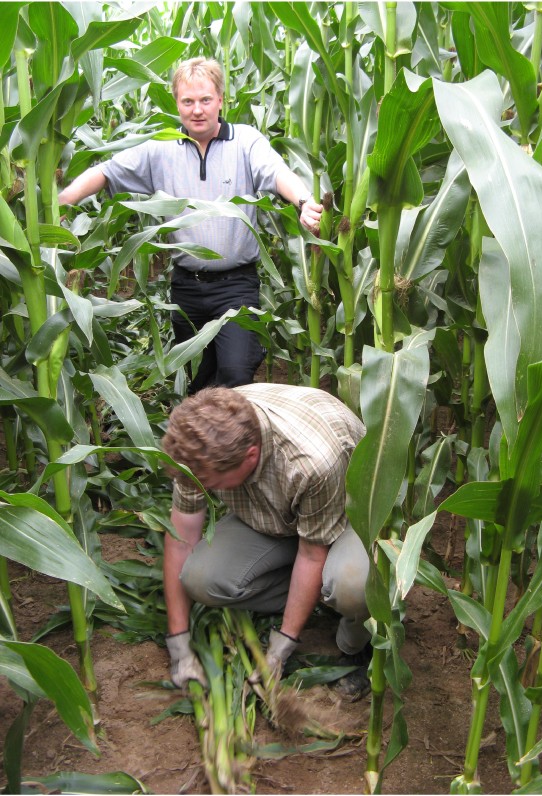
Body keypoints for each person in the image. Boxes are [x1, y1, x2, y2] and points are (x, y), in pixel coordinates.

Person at [58, 57, 323, 393]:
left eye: (205, 100)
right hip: (185, 288)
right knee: (195, 387)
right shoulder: (160, 148)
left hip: (236, 286)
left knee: (236, 374)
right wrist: (62, 203)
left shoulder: (245, 141)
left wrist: (302, 202)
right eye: (188, 101)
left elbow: (277, 172)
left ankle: (236, 444)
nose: (197, 110)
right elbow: (106, 171)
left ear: (221, 100)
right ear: (177, 103)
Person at [160, 383, 372, 699]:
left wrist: (278, 651)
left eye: (211, 484)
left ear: (251, 456)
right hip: (279, 514)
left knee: (352, 586)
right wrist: (179, 645)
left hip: (347, 511)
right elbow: (181, 539)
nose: (201, 487)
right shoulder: (199, 450)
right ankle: (314, 592)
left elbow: (313, 553)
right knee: (200, 578)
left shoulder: (311, 461)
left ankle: (356, 646)